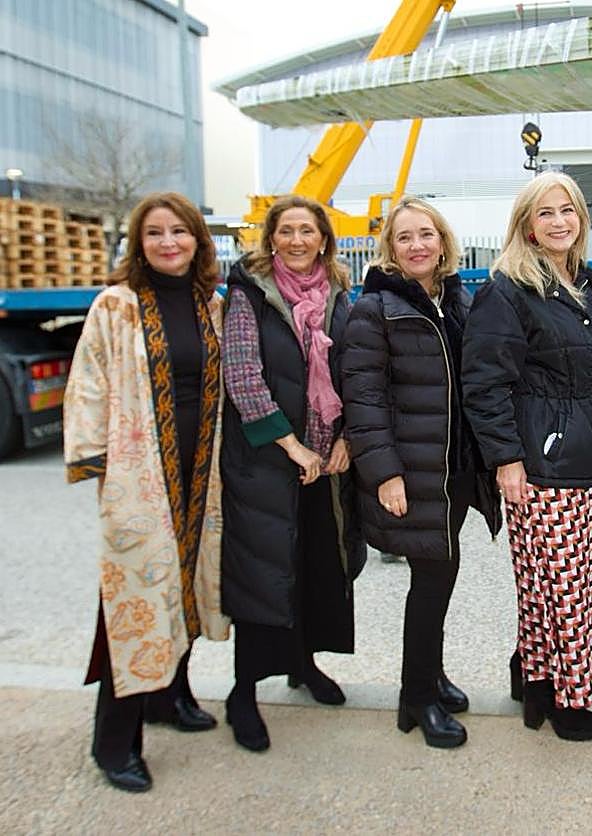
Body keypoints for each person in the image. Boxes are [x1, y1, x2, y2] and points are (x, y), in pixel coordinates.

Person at [63, 192, 229, 792]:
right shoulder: (116, 305)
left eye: (179, 232)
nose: (168, 242)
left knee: (187, 585)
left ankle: (170, 697)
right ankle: (115, 742)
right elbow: (87, 383)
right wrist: (100, 466)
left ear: (196, 240)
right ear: (139, 242)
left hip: (201, 470)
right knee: (133, 602)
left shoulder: (212, 303)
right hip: (140, 474)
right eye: (155, 233)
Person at [462, 171, 592, 742]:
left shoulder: (586, 284)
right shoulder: (507, 290)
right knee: (562, 588)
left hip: (585, 456)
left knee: (567, 583)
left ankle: (533, 678)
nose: (559, 222)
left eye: (568, 211)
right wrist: (506, 461)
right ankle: (567, 699)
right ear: (526, 226)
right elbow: (484, 385)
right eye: (545, 213)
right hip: (541, 463)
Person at [342, 197, 501, 749]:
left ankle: (428, 677)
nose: (417, 246)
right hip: (410, 474)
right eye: (405, 237)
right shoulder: (375, 309)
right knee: (431, 582)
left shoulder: (453, 302)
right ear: (390, 246)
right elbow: (362, 399)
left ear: (443, 242)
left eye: (426, 235)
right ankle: (417, 698)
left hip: (451, 471)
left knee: (440, 577)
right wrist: (384, 473)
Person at [220, 195, 366, 752]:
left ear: (324, 238)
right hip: (266, 463)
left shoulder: (340, 295)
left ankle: (303, 666)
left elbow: (354, 369)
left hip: (327, 462)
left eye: (308, 230)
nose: (298, 240)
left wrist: (347, 438)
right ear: (272, 239)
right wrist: (290, 445)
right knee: (263, 573)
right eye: (288, 231)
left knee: (315, 567)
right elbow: (243, 375)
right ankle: (242, 694)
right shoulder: (249, 294)